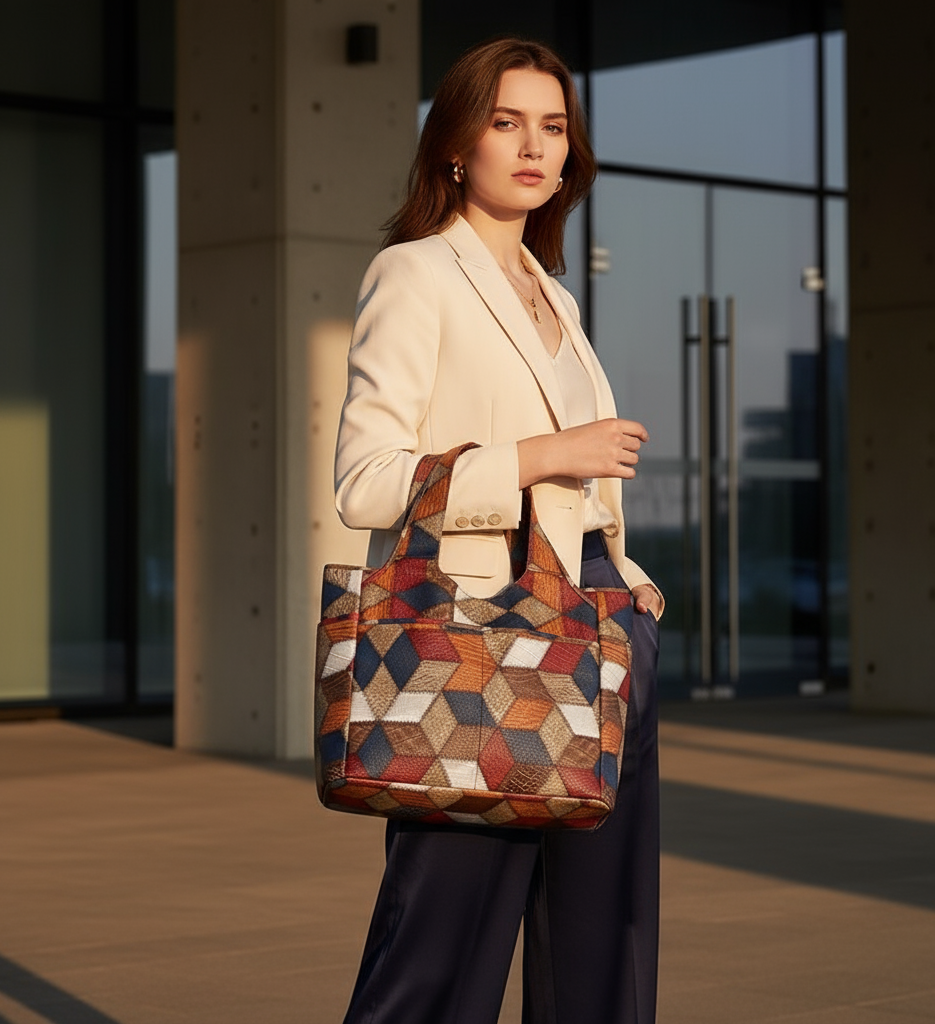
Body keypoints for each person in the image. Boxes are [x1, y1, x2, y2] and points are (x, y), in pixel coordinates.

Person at [333, 36, 662, 1024]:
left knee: (603, 954)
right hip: (476, 652)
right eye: (504, 121)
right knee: (437, 958)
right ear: (454, 146)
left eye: (552, 126)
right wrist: (542, 454)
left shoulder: (555, 295)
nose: (532, 145)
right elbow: (365, 480)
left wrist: (631, 578)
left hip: (602, 637)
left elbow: (582, 492)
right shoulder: (416, 274)